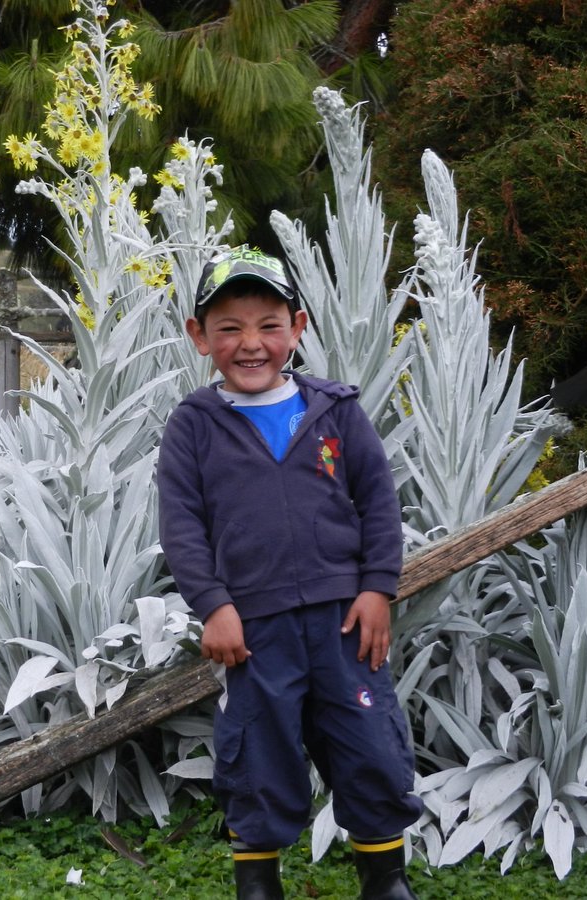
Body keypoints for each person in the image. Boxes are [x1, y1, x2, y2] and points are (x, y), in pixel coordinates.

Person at [156, 246, 423, 900]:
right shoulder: (193, 427)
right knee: (258, 754)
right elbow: (182, 525)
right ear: (199, 337)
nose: (251, 344)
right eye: (229, 328)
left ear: (298, 327)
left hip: (346, 626)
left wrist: (376, 588)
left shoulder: (336, 411)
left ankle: (384, 880)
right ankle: (258, 882)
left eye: (268, 325)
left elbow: (380, 502)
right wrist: (213, 605)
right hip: (254, 631)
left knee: (369, 746)